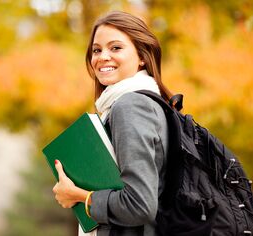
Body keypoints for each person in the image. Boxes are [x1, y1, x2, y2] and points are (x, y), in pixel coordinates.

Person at [52, 11, 174, 236]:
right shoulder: (148, 104)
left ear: (142, 57)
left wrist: (78, 195)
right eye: (96, 50)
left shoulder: (131, 107)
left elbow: (140, 205)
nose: (102, 57)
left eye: (115, 48)